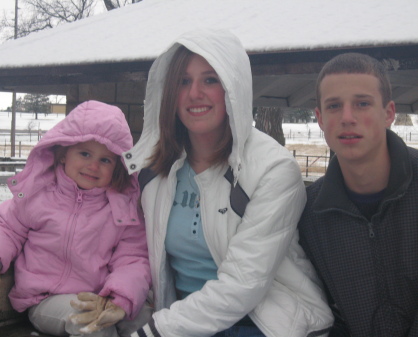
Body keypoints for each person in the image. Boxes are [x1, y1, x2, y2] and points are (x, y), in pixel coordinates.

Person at [122, 29, 333, 337]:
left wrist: (156, 330)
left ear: (233, 87)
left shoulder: (273, 169)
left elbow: (243, 283)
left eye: (210, 79)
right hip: (182, 319)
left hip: (263, 321)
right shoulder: (155, 170)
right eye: (183, 81)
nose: (195, 93)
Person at [0, 100, 151, 337]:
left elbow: (133, 258)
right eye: (84, 153)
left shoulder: (120, 208)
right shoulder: (39, 195)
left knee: (146, 318)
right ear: (63, 154)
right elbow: (6, 228)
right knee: (88, 325)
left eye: (105, 160)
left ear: (118, 167)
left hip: (101, 298)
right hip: (46, 299)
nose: (93, 166)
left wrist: (121, 298)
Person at [298, 52, 418, 336]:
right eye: (334, 106)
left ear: (388, 113)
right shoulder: (309, 216)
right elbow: (321, 311)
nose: (347, 118)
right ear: (320, 118)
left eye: (362, 104)